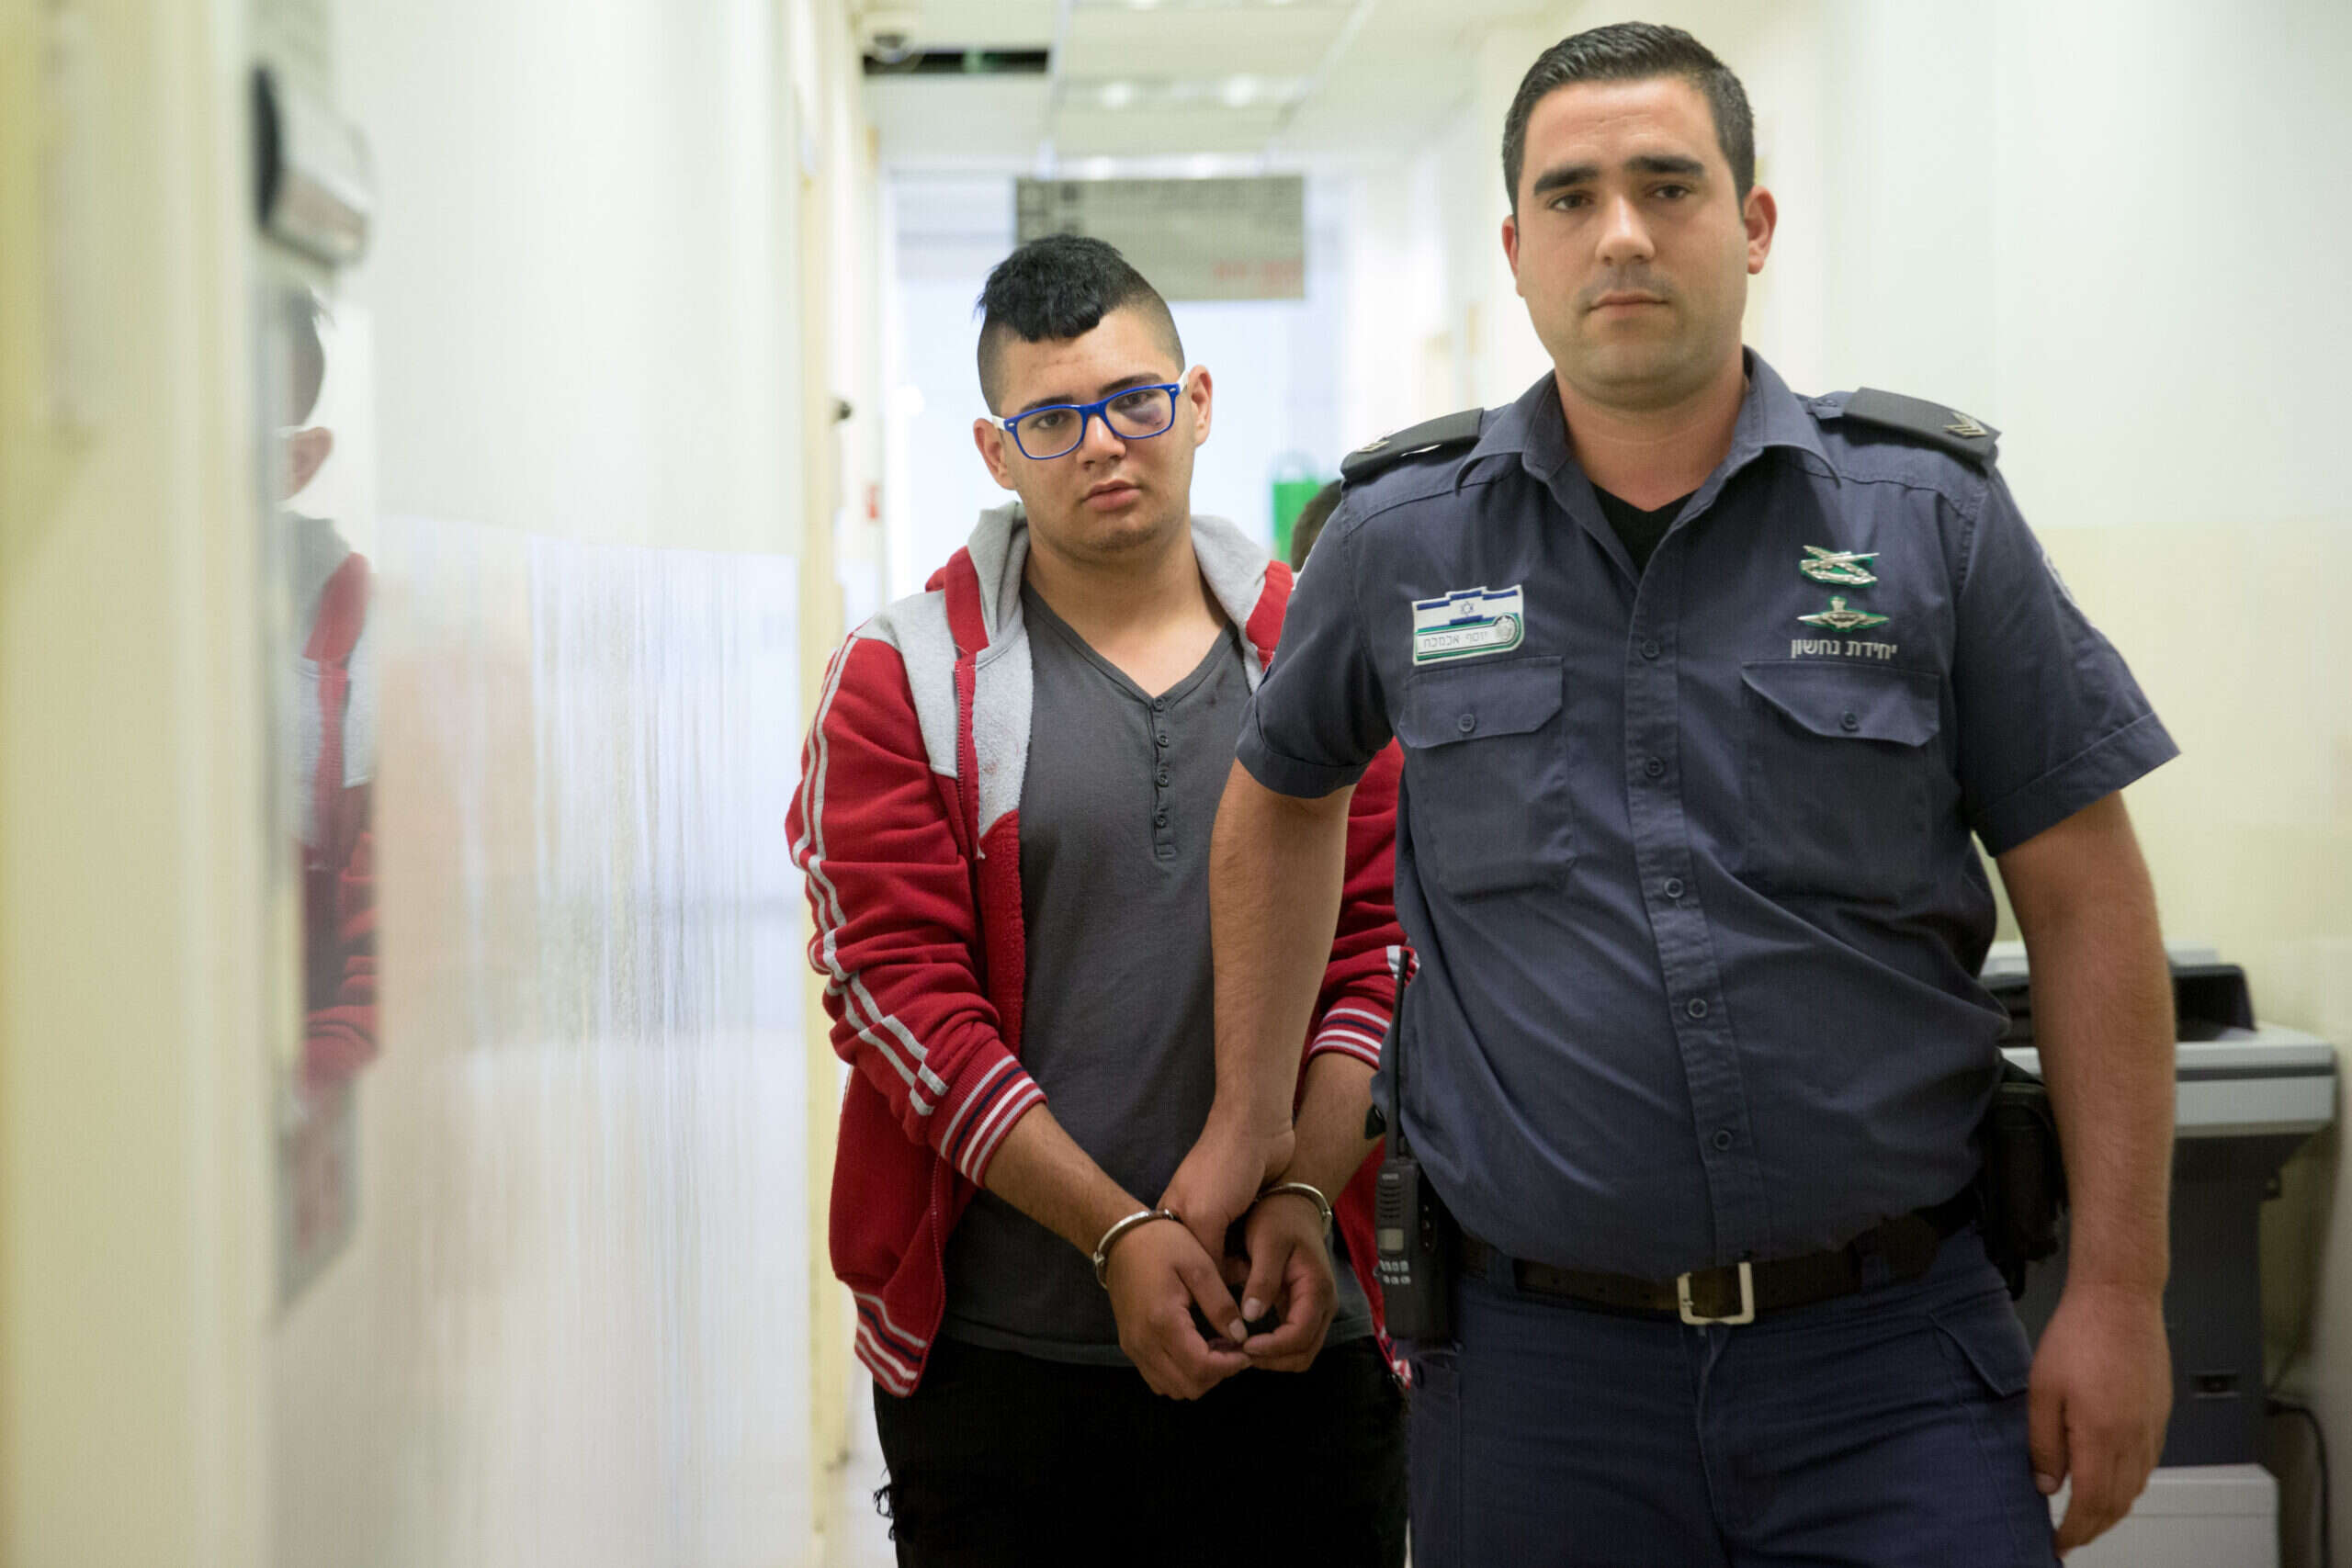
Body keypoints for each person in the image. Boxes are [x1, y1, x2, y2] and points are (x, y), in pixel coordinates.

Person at [1167, 22, 2177, 1566]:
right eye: (1571, 198)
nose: (1621, 234)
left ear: (1753, 223)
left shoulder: (1927, 520)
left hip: (1892, 1366)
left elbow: (2090, 900)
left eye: (1668, 186)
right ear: (1516, 251)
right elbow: (1282, 793)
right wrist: (1252, 1115)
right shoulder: (1401, 540)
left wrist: (2120, 1289)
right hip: (1540, 1385)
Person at [787, 234, 1408, 1566]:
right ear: (994, 449)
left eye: (1136, 401)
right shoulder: (902, 680)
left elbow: (1387, 947)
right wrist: (1114, 1232)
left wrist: (1304, 1190)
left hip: (1303, 1328)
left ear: (1197, 401)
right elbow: (901, 1002)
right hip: (1008, 1358)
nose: (1105, 445)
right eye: (1052, 420)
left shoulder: (1324, 650)